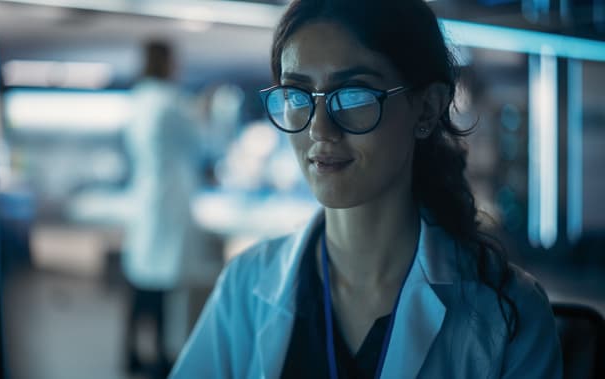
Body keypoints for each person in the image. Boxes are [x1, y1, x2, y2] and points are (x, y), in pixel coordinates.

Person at [168, 0, 563, 378]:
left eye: (353, 94)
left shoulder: (510, 313)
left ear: (426, 108)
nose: (319, 129)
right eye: (297, 96)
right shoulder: (246, 284)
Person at [122, 39, 203, 379]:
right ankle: (159, 358)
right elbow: (198, 141)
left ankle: (131, 353)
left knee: (141, 284)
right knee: (162, 285)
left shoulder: (138, 100)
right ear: (168, 63)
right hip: (166, 201)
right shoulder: (171, 102)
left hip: (146, 198)